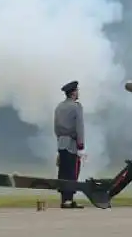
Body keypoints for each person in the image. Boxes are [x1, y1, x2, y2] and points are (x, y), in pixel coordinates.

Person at [53, 80, 85, 208]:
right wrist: (81, 145)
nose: (78, 93)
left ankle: (64, 199)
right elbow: (79, 127)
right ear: (73, 93)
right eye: (76, 91)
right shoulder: (76, 107)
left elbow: (56, 128)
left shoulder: (59, 107)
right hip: (71, 143)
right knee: (72, 171)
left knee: (63, 171)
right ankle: (69, 200)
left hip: (61, 142)